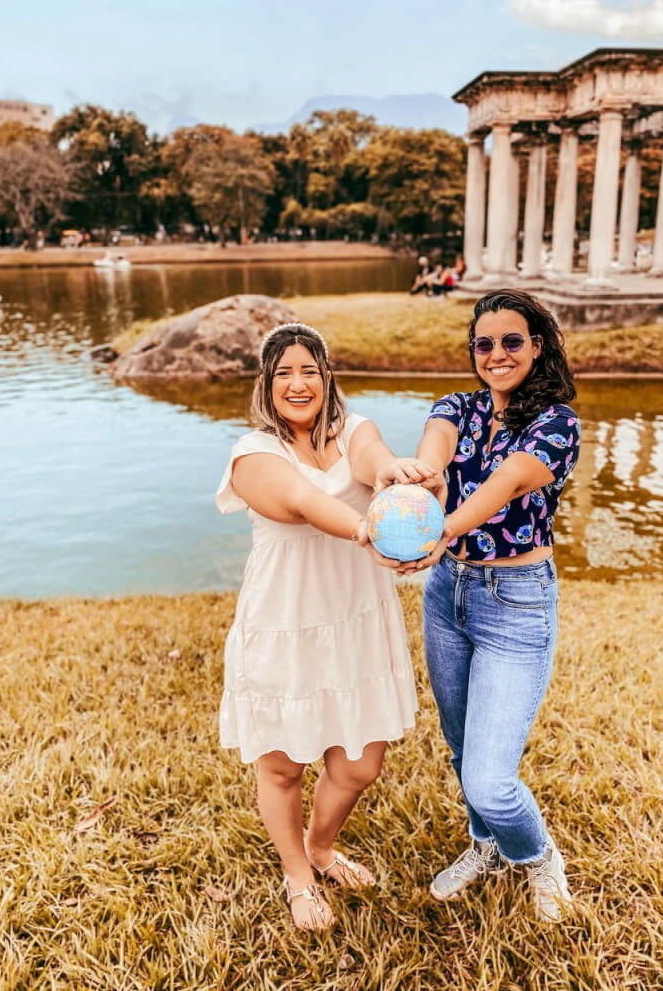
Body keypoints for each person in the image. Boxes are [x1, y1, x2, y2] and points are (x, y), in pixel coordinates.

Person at [215, 322, 434, 932]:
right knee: (283, 765)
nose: (297, 382)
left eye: (308, 369)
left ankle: (321, 844)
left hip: (356, 620)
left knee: (361, 763)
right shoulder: (251, 453)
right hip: (286, 621)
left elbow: (374, 460)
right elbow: (302, 502)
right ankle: (297, 872)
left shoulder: (354, 429)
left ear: (326, 375)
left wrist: (395, 476)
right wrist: (366, 529)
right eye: (283, 372)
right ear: (266, 384)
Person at [403, 289, 580, 923]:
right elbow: (435, 451)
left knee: (489, 778)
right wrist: (418, 485)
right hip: (448, 595)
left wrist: (442, 528)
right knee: (459, 744)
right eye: (485, 343)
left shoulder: (556, 423)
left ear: (537, 346)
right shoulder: (458, 406)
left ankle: (537, 856)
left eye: (512, 341)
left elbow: (505, 486)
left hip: (516, 602)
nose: (497, 354)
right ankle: (485, 846)